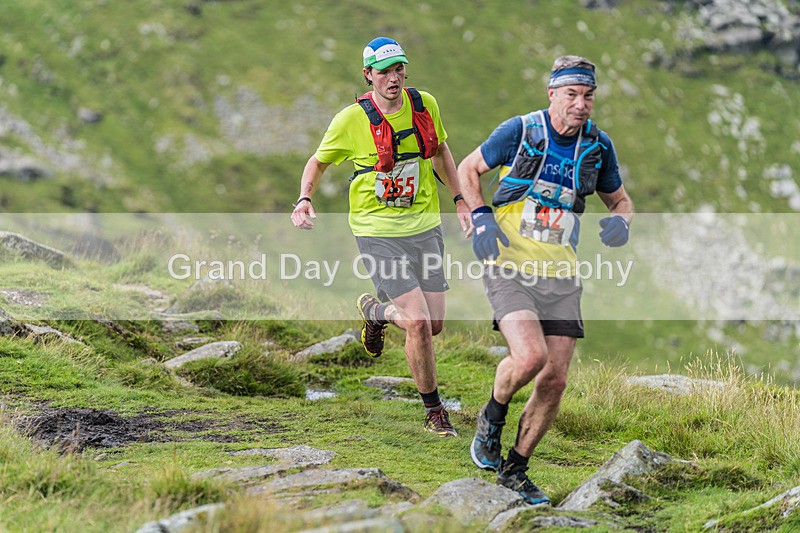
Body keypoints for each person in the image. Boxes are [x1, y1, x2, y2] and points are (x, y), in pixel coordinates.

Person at [457, 55, 633, 503]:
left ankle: (515, 468)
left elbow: (621, 200)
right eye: (572, 94)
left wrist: (622, 222)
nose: (580, 104)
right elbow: (468, 168)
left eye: (588, 96)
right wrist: (481, 218)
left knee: (555, 379)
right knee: (530, 356)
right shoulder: (520, 131)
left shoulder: (597, 146)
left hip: (561, 274)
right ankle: (492, 417)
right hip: (509, 263)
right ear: (552, 93)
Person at [291, 37, 470, 437]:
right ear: (368, 74)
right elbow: (318, 162)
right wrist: (304, 198)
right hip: (376, 231)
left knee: (434, 324)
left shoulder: (424, 104)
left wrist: (460, 199)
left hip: (425, 226)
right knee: (420, 323)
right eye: (385, 71)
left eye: (399, 69)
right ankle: (434, 411)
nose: (394, 77)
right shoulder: (349, 120)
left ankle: (377, 312)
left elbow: (440, 150)